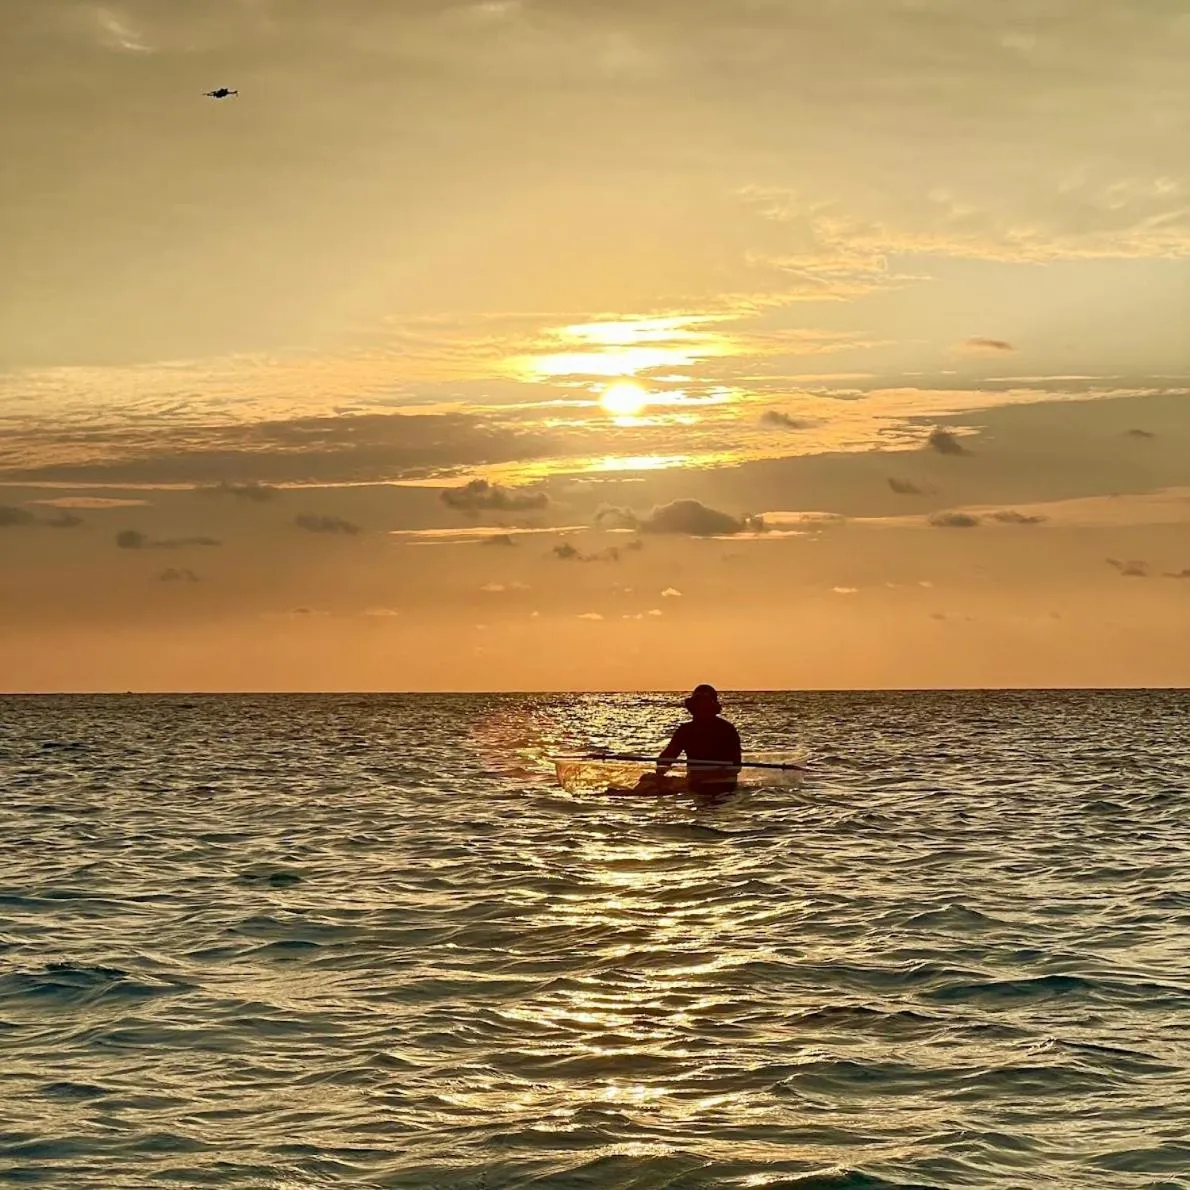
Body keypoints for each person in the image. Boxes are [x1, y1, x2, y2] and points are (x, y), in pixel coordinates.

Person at [630, 684, 741, 797]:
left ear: (712, 709)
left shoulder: (727, 729)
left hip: (724, 786)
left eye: (705, 706)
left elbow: (736, 766)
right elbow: (666, 759)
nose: (701, 711)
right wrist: (658, 775)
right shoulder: (685, 730)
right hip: (694, 785)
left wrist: (708, 776)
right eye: (698, 706)